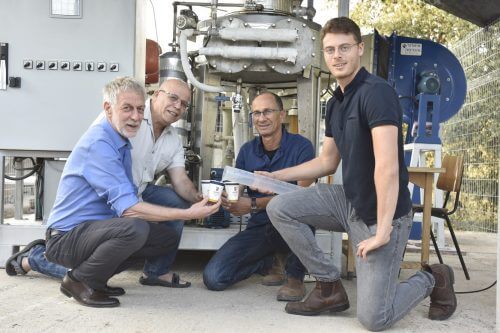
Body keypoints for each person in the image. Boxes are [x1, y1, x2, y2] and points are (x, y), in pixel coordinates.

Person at [264, 17, 457, 331]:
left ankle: (432, 278)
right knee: (280, 208)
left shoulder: (376, 93)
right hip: (349, 201)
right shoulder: (336, 103)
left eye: (344, 48)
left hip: (383, 214)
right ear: (323, 55)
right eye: (330, 50)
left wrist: (382, 231)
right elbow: (327, 161)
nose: (337, 56)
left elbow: (388, 167)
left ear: (359, 49)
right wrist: (278, 176)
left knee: (374, 318)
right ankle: (329, 286)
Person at [11, 77, 220, 308]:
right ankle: (78, 281)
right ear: (108, 109)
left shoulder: (123, 142)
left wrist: (202, 201)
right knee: (135, 228)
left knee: (163, 239)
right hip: (67, 236)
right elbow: (129, 210)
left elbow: (177, 181)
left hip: (102, 225)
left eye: (140, 110)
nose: (136, 116)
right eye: (127, 109)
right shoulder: (101, 142)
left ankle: (98, 278)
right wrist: (188, 214)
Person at [203, 92, 315, 302]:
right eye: (256, 113)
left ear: (282, 115)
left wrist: (253, 204)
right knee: (214, 277)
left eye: (267, 112)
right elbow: (238, 189)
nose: (261, 118)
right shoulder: (247, 151)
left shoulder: (302, 147)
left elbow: (303, 197)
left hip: (293, 224)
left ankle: (294, 276)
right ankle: (267, 261)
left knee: (304, 216)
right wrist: (227, 198)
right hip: (261, 226)